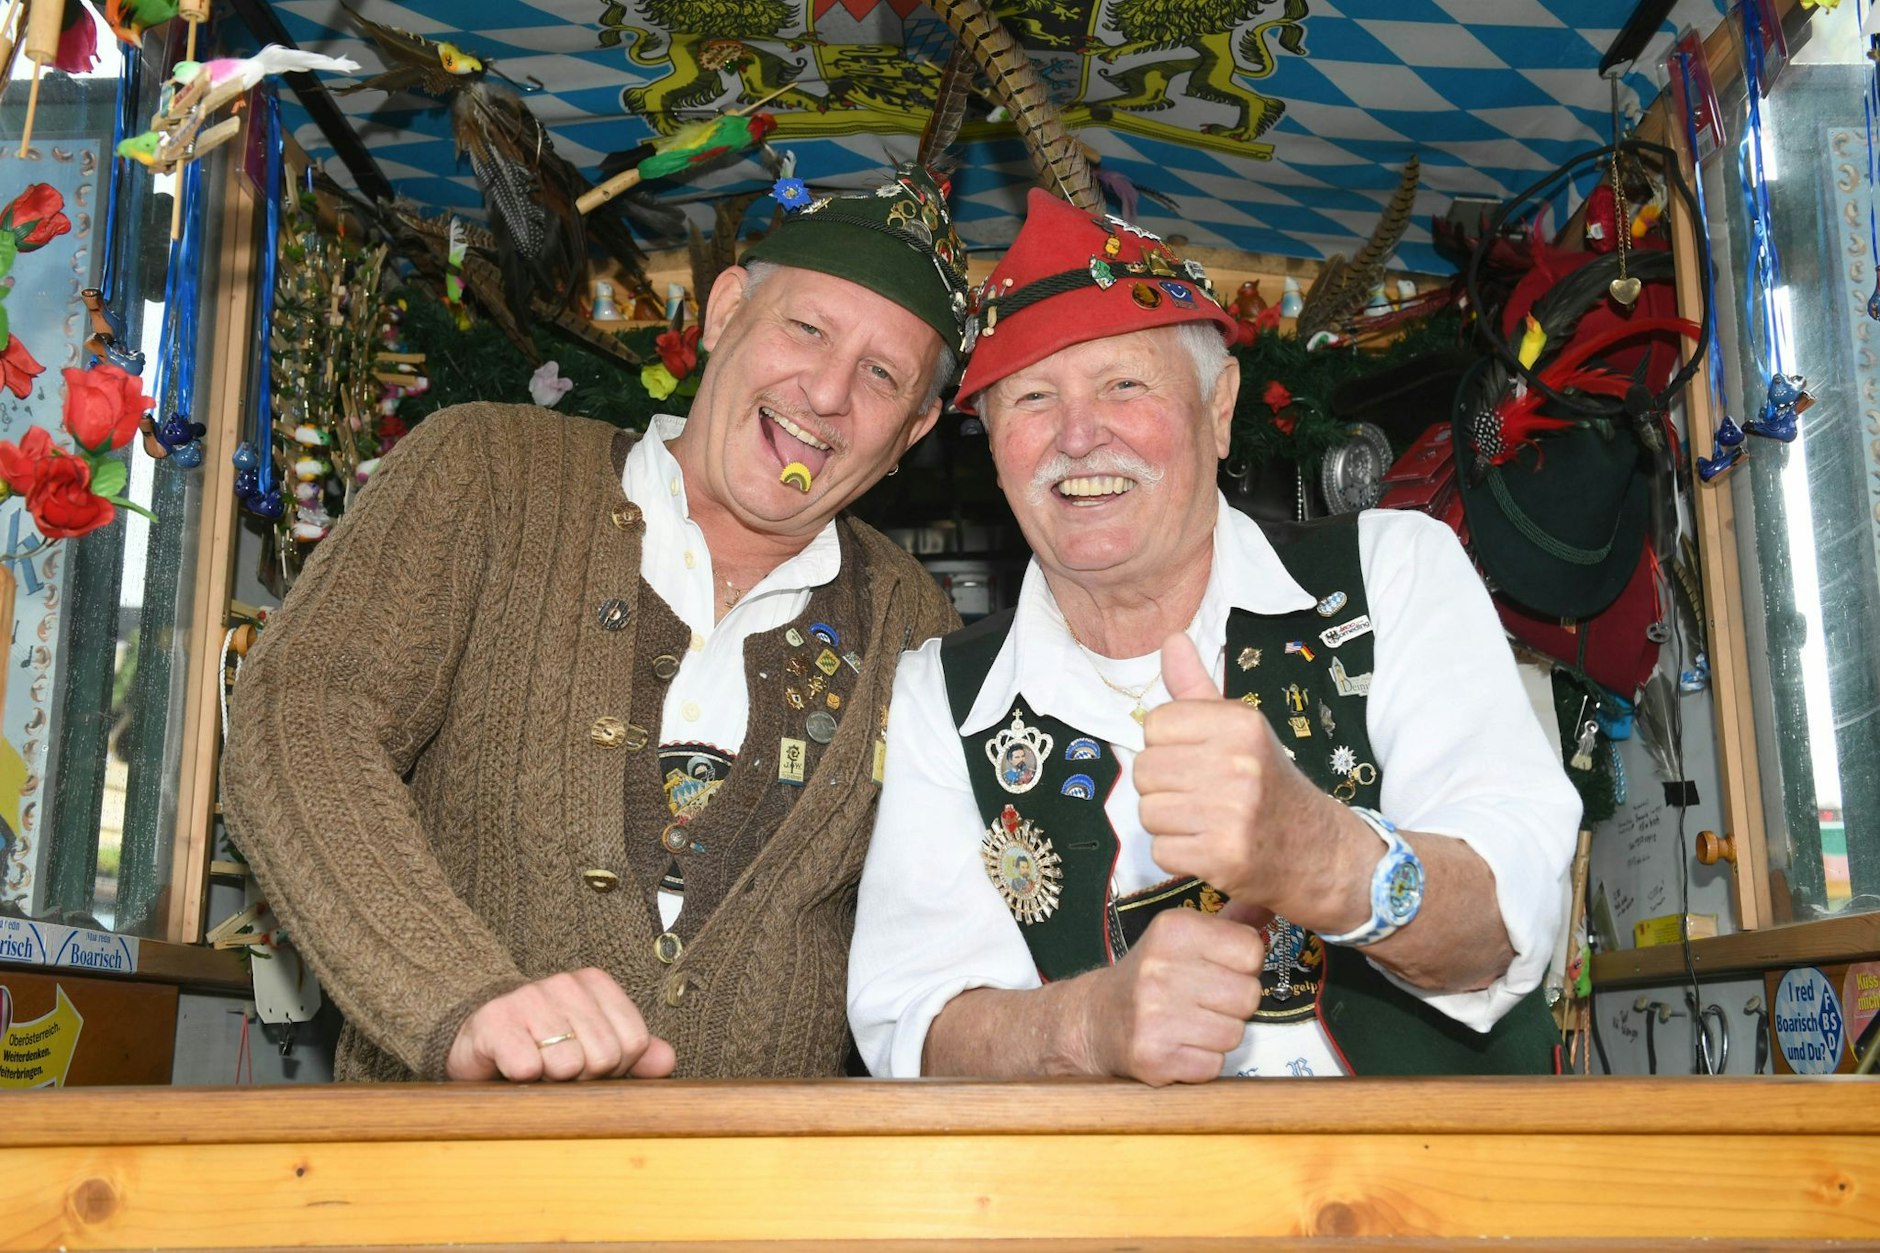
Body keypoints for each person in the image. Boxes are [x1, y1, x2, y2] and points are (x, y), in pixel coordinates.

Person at [222, 162, 969, 1083]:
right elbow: (303, 714)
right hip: (439, 1187)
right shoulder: (491, 471)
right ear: (728, 307)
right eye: (806, 328)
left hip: (747, 1211)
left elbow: (943, 938)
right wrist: (460, 999)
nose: (825, 391)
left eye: (882, 374)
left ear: (916, 427)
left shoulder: (923, 633)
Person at [848, 190, 1581, 1082]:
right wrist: (1088, 1025)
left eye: (1125, 383)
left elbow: (1509, 921)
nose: (1079, 436)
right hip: (1127, 1219)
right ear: (995, 449)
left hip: (1439, 1202)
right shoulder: (942, 692)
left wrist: (1317, 854)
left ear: (1220, 404)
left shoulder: (1393, 571)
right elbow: (911, 1028)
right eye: (1034, 398)